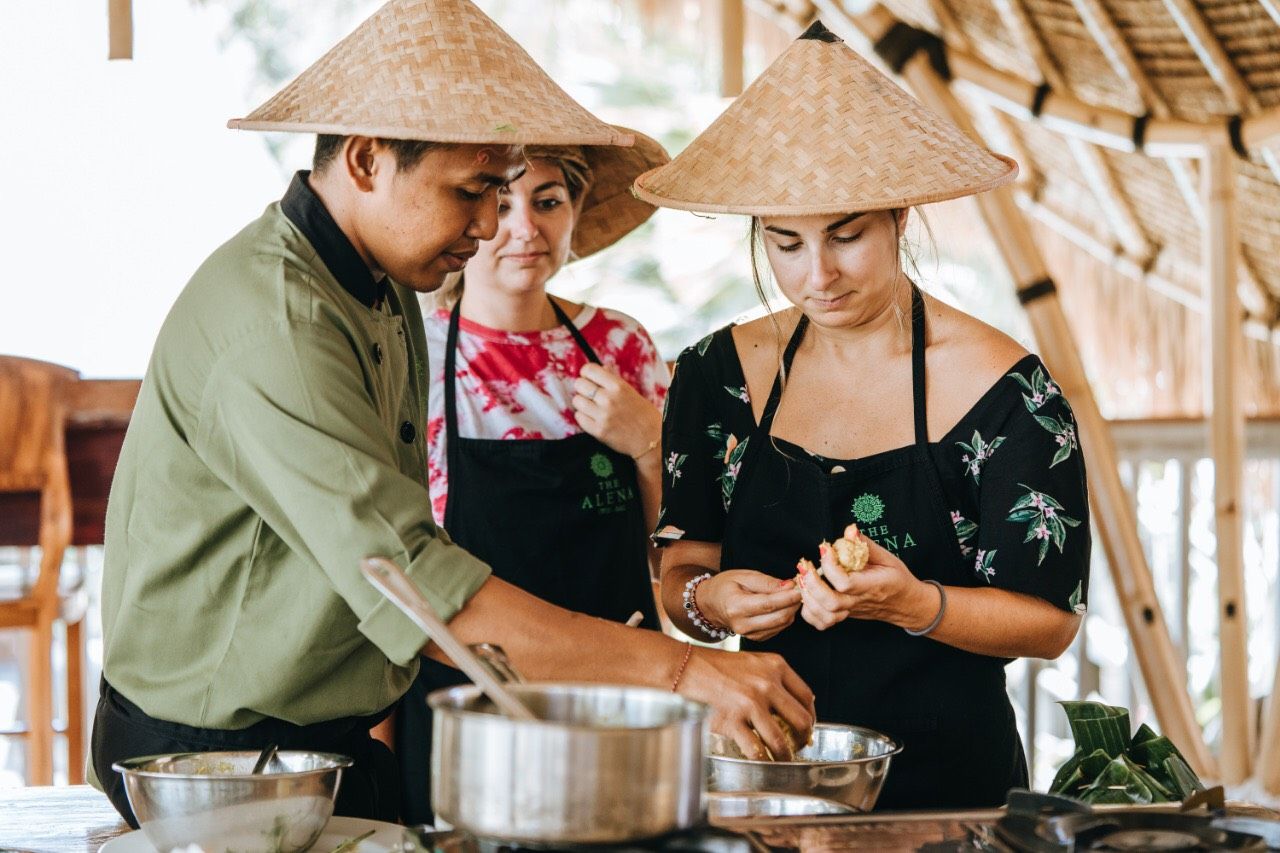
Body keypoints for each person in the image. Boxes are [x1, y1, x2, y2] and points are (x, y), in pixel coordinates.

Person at [90, 0, 813, 827]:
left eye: (512, 194)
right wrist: (682, 672)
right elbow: (413, 585)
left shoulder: (388, 286)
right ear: (365, 159)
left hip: (325, 742)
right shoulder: (278, 323)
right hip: (212, 762)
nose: (489, 226)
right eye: (473, 193)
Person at [632, 21, 1090, 809]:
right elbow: (678, 571)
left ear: (900, 217)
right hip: (764, 775)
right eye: (785, 243)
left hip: (952, 791)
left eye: (847, 236)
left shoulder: (1008, 391)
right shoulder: (715, 378)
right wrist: (708, 604)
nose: (818, 276)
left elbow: (1048, 621)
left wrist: (914, 603)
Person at [393, 135, 671, 822]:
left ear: (576, 210)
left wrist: (649, 443)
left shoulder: (621, 346)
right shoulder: (412, 351)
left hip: (612, 692)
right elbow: (390, 565)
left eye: (548, 201)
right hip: (460, 700)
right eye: (500, 199)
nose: (525, 228)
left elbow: (676, 553)